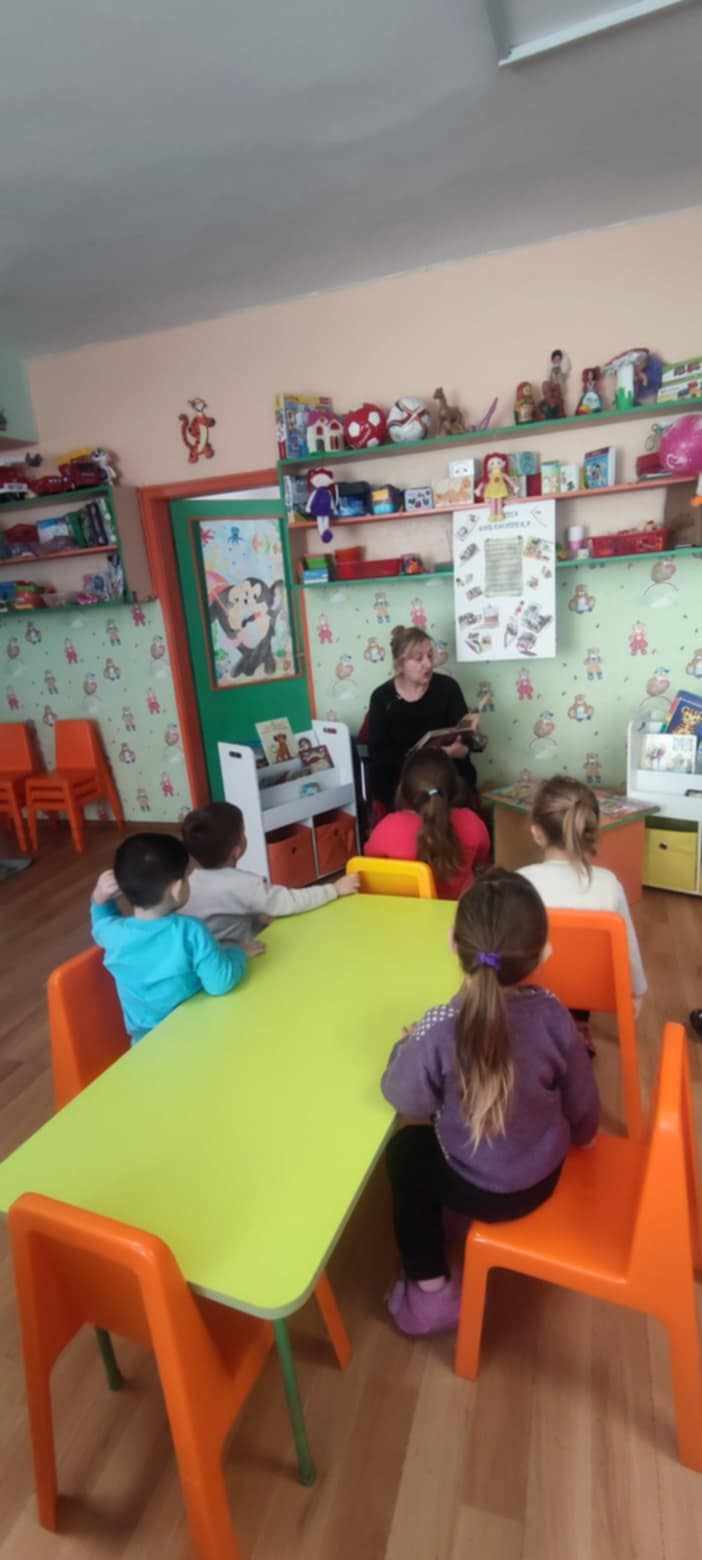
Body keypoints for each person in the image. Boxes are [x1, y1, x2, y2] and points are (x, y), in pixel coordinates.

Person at [381, 869, 600, 1336]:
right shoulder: (555, 1014)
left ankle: (432, 1292)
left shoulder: (439, 1027)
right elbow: (583, 1100)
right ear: (543, 953)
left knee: (404, 1154)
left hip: (472, 1186)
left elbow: (402, 1096)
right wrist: (584, 1137)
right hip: (543, 1177)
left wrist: (405, 1047)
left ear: (452, 942)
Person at [518, 776, 647, 1049]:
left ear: (537, 833)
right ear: (592, 831)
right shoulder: (609, 884)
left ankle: (541, 1027)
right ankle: (576, 1024)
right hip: (590, 990)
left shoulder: (520, 882)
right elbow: (629, 947)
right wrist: (637, 990)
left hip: (528, 987)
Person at [91, 832, 245, 1044]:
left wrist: (99, 896)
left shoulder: (113, 934)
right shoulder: (190, 931)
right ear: (178, 888)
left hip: (143, 1045)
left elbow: (101, 922)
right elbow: (220, 983)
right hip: (198, 1037)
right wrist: (237, 953)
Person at [182, 800, 360, 951]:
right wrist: (334, 889)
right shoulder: (244, 884)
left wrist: (258, 917)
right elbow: (290, 901)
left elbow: (226, 909)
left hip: (203, 956)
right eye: (243, 832)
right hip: (236, 955)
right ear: (236, 850)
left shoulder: (187, 882)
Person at [367, 625, 486, 813]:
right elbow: (378, 755)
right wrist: (424, 758)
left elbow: (465, 739)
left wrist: (465, 747)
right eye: (419, 658)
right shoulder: (382, 698)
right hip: (401, 784)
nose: (428, 664)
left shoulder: (448, 688)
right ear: (400, 664)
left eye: (430, 656)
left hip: (447, 780)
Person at [364, 748, 490, 899]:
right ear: (455, 787)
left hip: (404, 911)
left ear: (403, 789)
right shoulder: (472, 823)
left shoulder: (388, 828)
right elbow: (482, 859)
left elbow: (370, 863)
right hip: (458, 910)